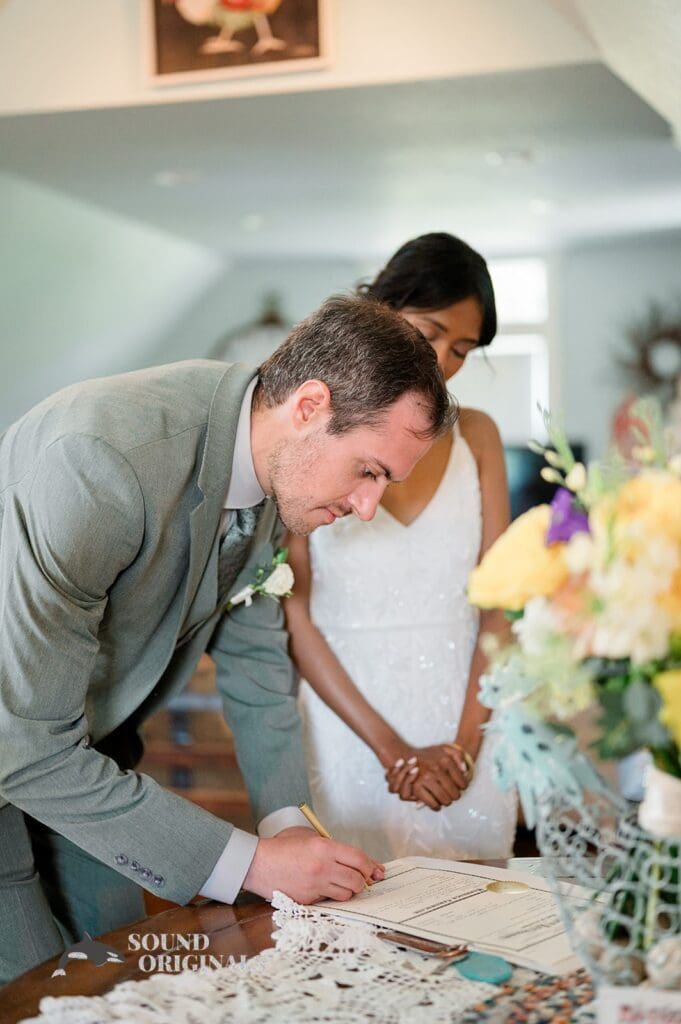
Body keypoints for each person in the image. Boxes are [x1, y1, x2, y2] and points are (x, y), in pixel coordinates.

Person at [0, 295, 454, 985]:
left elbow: (255, 660)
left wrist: (284, 824)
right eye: (368, 470)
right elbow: (24, 742)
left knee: (125, 973)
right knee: (37, 990)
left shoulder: (277, 467)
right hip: (21, 752)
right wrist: (250, 863)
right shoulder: (97, 462)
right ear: (309, 405)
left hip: (88, 758)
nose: (368, 506)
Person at [286, 234, 517, 863]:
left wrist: (465, 746)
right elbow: (295, 614)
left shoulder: (479, 436)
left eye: (463, 349)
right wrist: (392, 751)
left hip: (466, 714)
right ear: (383, 307)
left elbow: (500, 604)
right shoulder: (316, 425)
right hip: (349, 727)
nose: (441, 359)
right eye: (430, 330)